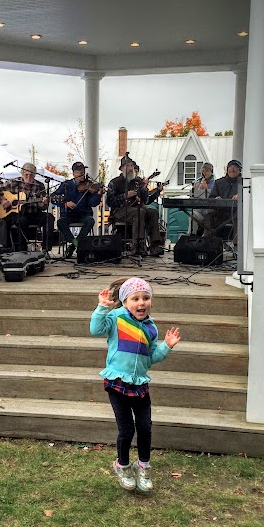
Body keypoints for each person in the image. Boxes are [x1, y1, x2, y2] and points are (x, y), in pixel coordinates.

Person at [90, 276, 181, 493]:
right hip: (117, 382)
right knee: (126, 429)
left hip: (139, 385)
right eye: (136, 298)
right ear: (125, 301)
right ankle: (122, 465)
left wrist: (166, 347)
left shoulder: (151, 328)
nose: (141, 303)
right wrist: (102, 307)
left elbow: (150, 358)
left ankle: (144, 467)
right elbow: (96, 329)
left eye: (146, 298)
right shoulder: (116, 318)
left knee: (145, 427)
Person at [106, 155, 162, 256]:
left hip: (137, 208)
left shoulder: (138, 181)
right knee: (139, 212)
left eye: (132, 166)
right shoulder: (114, 183)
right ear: (122, 168)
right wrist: (124, 196)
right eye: (127, 166)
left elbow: (145, 200)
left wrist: (144, 188)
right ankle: (138, 245)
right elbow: (109, 202)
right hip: (120, 210)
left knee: (152, 211)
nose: (130, 168)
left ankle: (154, 245)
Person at [0, 163, 55, 251]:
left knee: (49, 218)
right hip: (17, 214)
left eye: (31, 175)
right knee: (21, 220)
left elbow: (43, 207)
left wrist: (44, 202)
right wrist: (3, 200)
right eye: (26, 174)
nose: (28, 177)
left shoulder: (40, 186)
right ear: (22, 173)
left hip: (34, 213)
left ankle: (46, 248)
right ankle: (22, 250)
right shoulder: (14, 183)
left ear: (35, 175)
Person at [51, 161, 102, 258]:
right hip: (69, 214)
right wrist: (65, 203)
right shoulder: (66, 185)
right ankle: (75, 243)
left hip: (84, 214)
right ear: (74, 174)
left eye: (83, 171)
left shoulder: (89, 185)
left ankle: (74, 245)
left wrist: (98, 194)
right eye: (79, 172)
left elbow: (93, 203)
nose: (82, 174)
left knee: (90, 221)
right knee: (60, 222)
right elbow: (53, 197)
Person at [202, 158, 241, 242]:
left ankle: (236, 245)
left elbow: (249, 196)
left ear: (239, 171)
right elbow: (211, 198)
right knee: (209, 216)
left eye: (235, 168)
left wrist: (240, 195)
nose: (232, 170)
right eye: (230, 168)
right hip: (221, 212)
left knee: (239, 217)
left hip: (236, 212)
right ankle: (207, 243)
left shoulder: (243, 183)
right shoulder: (219, 182)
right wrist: (216, 198)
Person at [191, 162, 215, 234]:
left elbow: (213, 196)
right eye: (203, 171)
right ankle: (192, 234)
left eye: (207, 171)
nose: (205, 173)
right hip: (199, 211)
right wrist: (194, 192)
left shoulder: (215, 183)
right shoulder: (198, 182)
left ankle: (206, 235)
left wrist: (206, 188)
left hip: (209, 211)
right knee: (192, 214)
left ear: (211, 172)